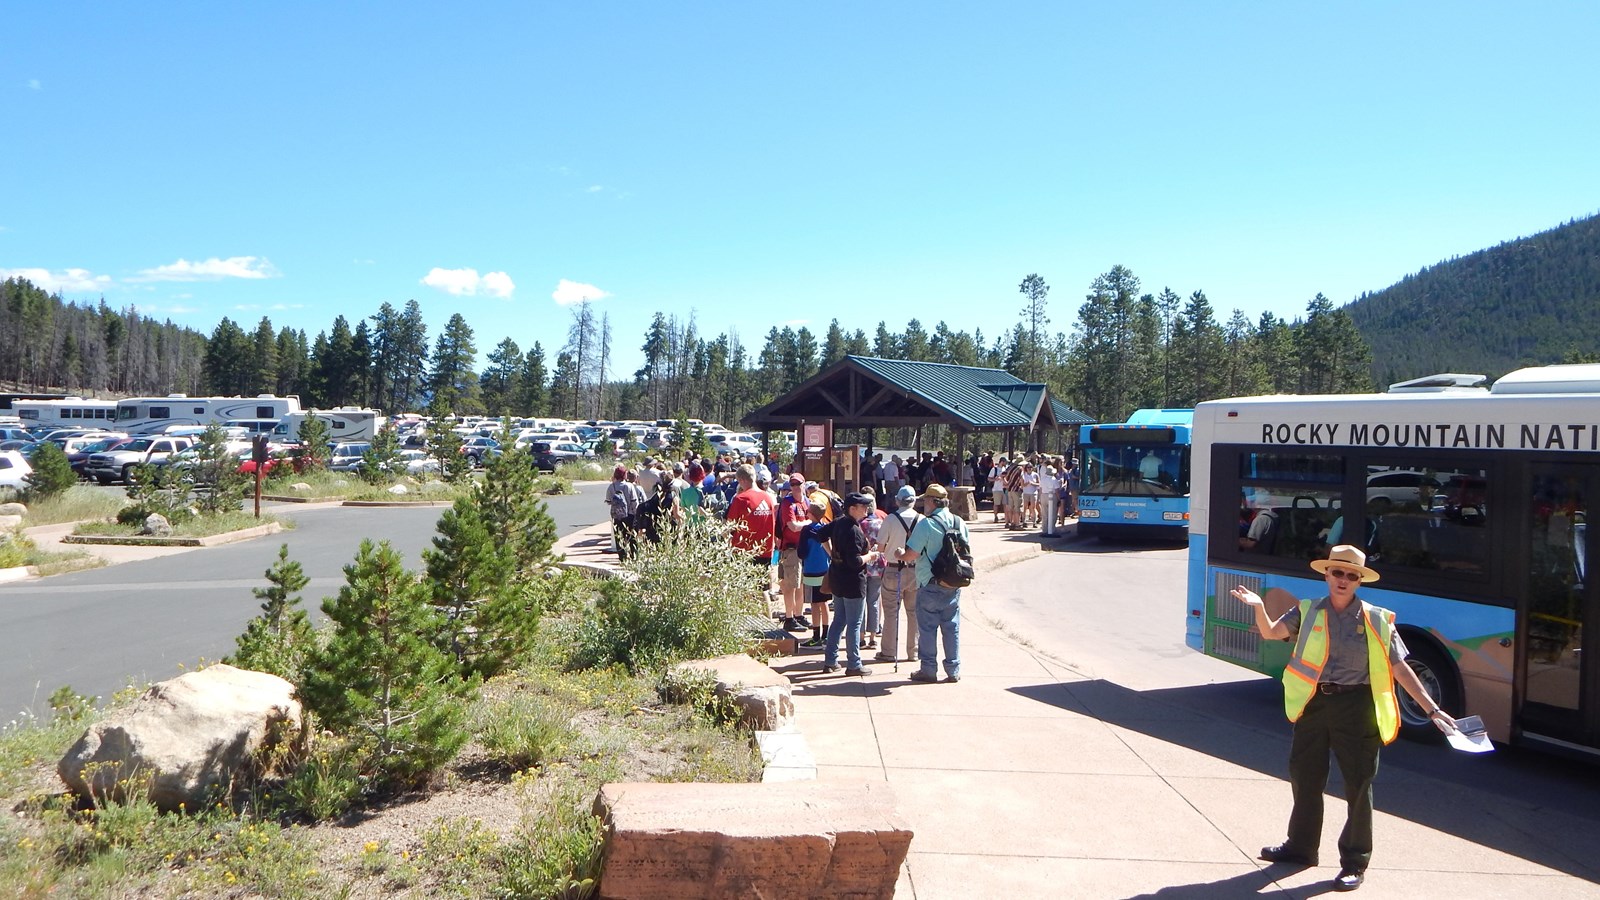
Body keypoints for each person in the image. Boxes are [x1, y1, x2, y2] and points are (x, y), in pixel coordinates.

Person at [1231, 545, 1456, 893]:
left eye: (1352, 575)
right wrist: (1260, 608)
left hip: (1357, 707)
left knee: (1359, 785)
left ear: (1359, 581)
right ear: (1326, 574)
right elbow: (1272, 633)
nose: (1344, 580)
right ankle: (1301, 847)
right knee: (1305, 777)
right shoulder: (1307, 610)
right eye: (1338, 573)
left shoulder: (1377, 619)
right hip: (1314, 705)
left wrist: (1431, 708)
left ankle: (1354, 862)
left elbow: (1400, 668)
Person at [897, 483, 969, 684]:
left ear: (932, 501)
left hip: (929, 582)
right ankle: (953, 670)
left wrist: (900, 555)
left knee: (927, 628)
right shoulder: (958, 521)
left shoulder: (926, 524)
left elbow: (912, 554)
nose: (923, 504)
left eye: (925, 500)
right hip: (953, 582)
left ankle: (928, 670)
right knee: (951, 627)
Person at [820, 493, 880, 676]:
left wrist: (832, 554)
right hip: (853, 581)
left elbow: (821, 534)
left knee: (839, 620)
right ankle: (854, 664)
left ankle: (830, 660)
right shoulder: (853, 530)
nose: (866, 509)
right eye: (862, 506)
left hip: (838, 578)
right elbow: (855, 561)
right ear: (852, 508)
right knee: (854, 623)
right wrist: (870, 556)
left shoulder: (839, 522)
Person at [875, 485, 923, 663]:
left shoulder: (890, 519)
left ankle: (888, 651)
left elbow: (880, 547)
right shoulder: (922, 519)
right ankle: (914, 652)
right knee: (914, 612)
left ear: (897, 500)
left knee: (891, 612)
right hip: (916, 570)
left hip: (894, 569)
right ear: (914, 500)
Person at [776, 473, 813, 633]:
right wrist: (809, 523)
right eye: (793, 485)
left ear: (804, 485)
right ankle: (789, 618)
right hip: (791, 549)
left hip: (804, 548)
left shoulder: (807, 502)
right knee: (790, 585)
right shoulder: (787, 503)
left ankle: (799, 615)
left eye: (799, 484)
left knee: (801, 584)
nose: (796, 487)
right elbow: (792, 526)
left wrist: (804, 524)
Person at [798, 500, 832, 648]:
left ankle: (816, 636)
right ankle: (826, 635)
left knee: (814, 604)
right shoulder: (825, 529)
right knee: (824, 603)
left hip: (811, 571)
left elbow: (802, 553)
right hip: (825, 570)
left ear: (810, 514)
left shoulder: (806, 530)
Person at [1039, 463, 1061, 536]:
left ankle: (1044, 529)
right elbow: (1057, 491)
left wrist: (1040, 498)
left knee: (1044, 514)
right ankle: (1051, 529)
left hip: (1043, 495)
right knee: (1052, 514)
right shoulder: (1054, 480)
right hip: (1052, 495)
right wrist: (1059, 499)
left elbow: (1040, 489)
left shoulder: (1043, 479)